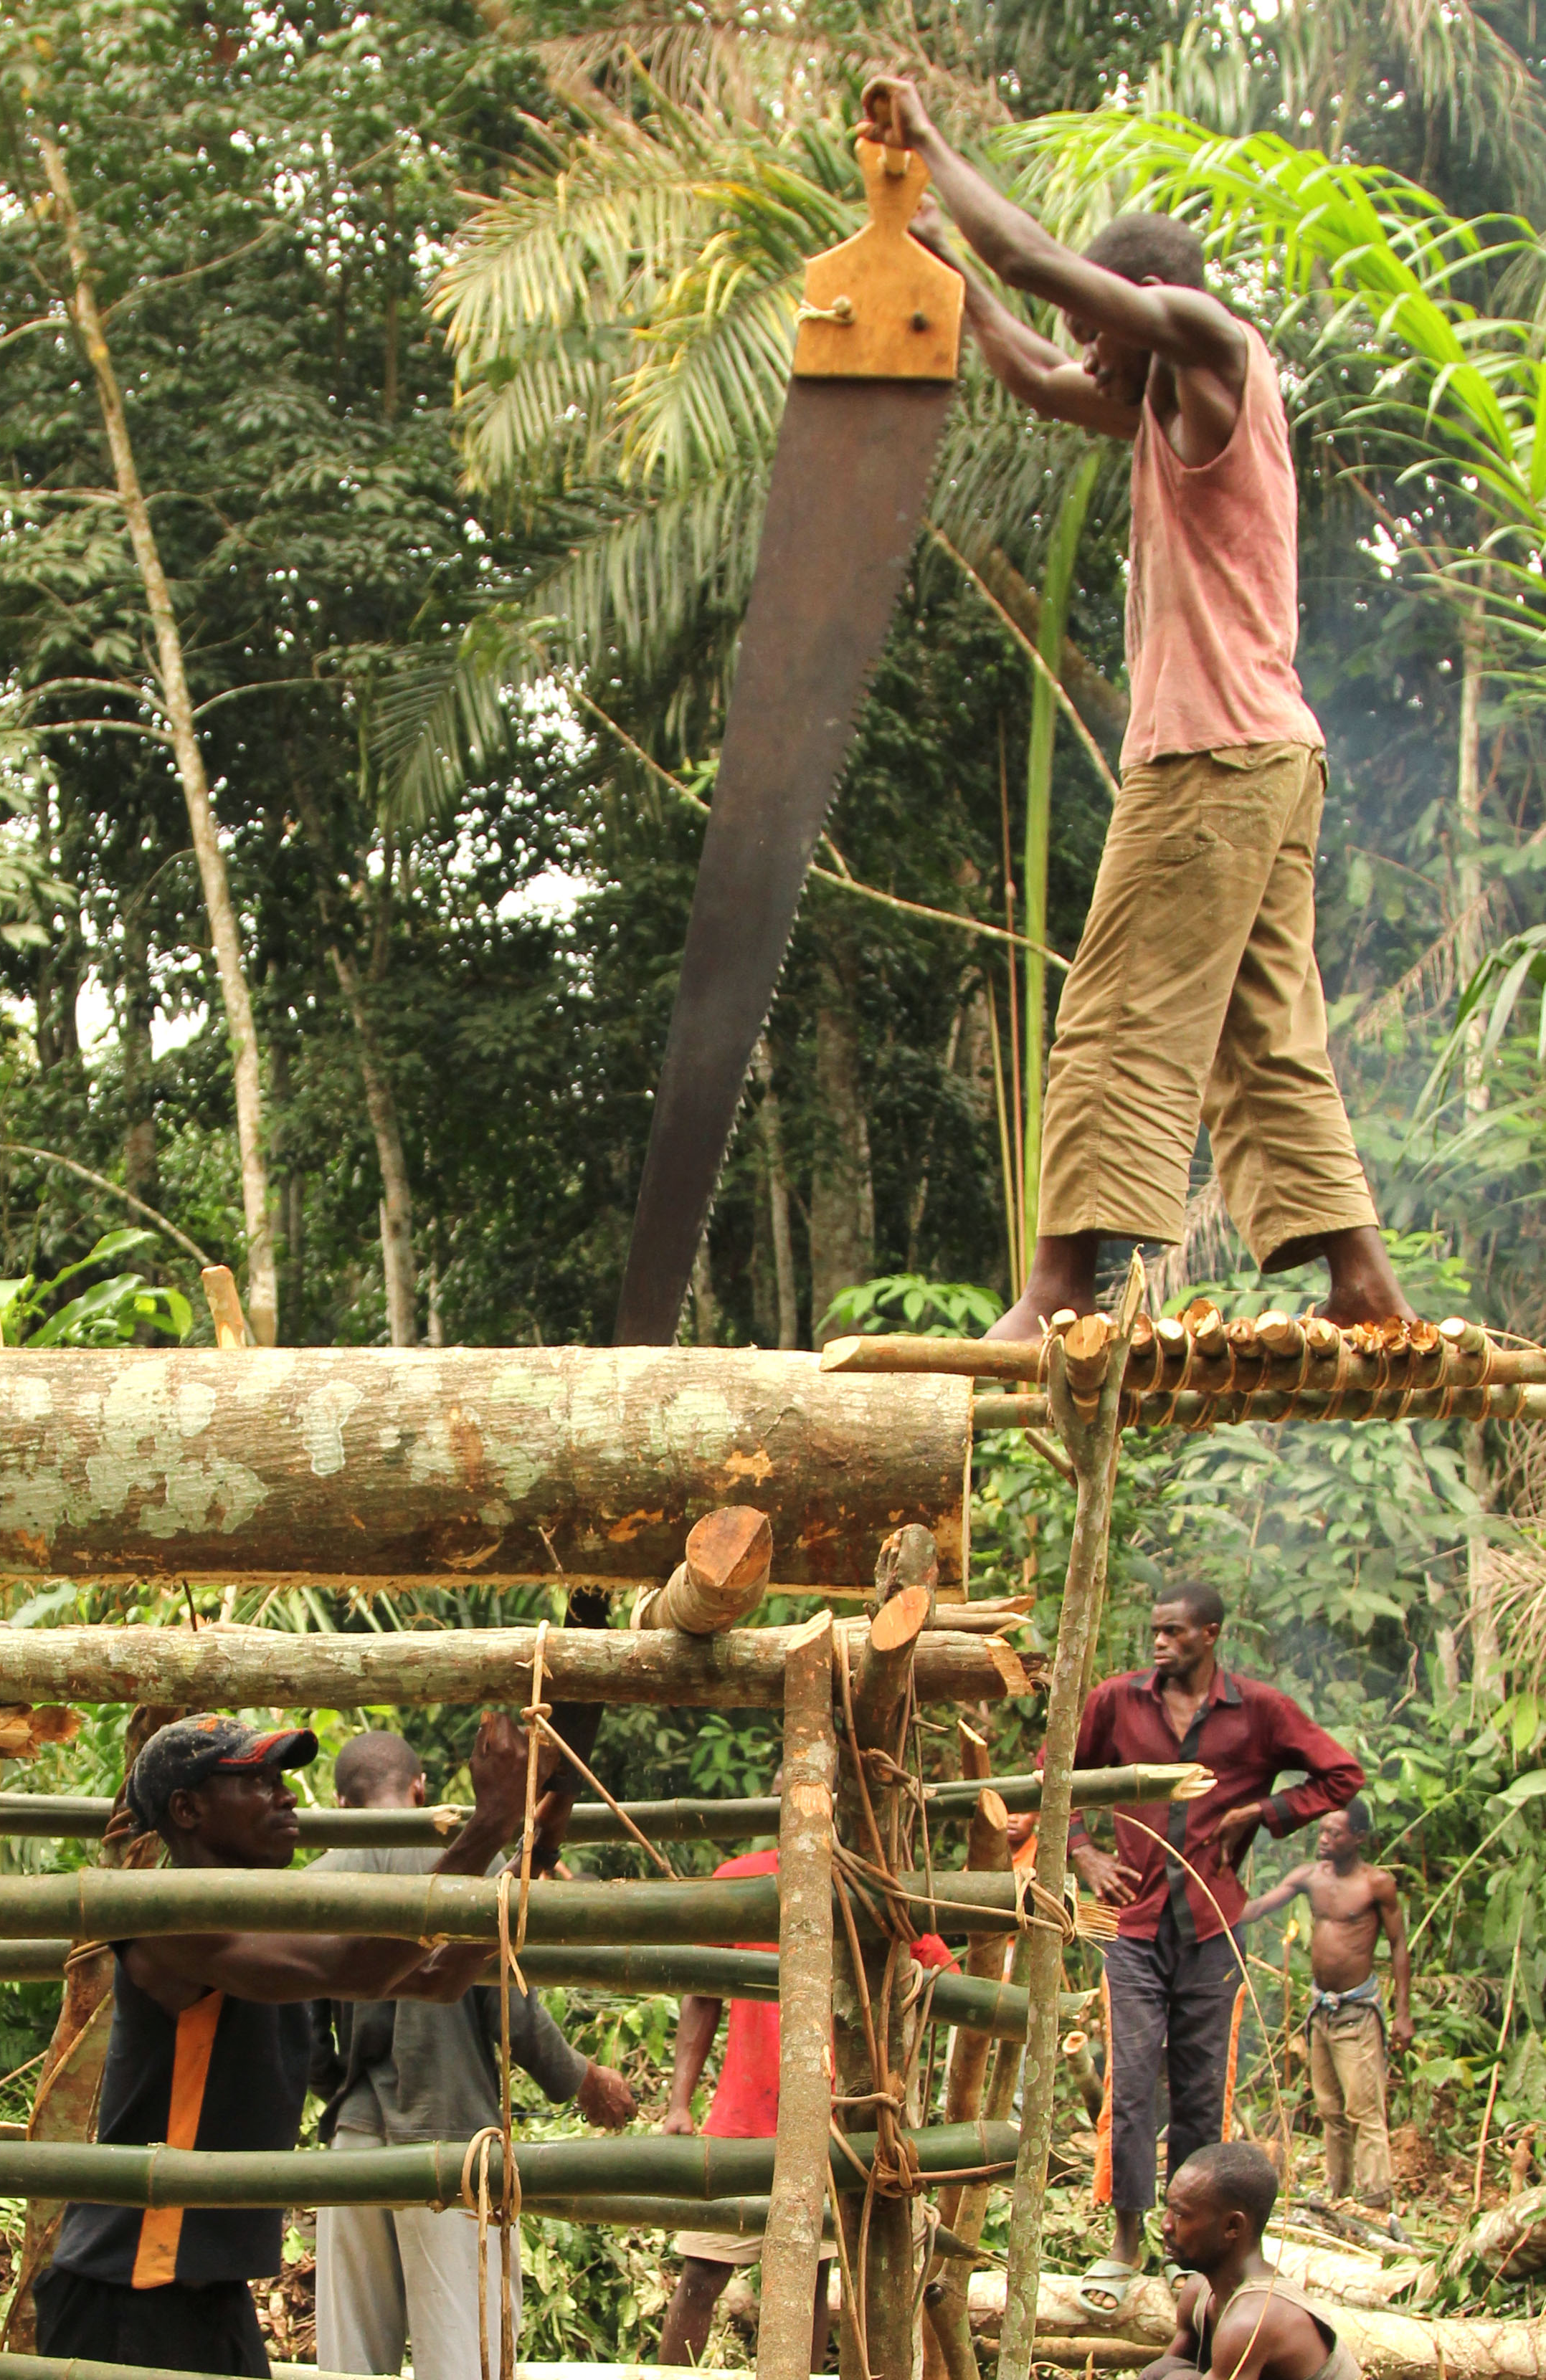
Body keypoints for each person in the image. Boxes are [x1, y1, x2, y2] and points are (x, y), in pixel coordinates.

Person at [855, 77, 1411, 1341]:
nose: (1087, 353)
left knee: (1113, 1013)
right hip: (1267, 755)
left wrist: (933, 149)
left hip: (1210, 761)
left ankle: (1059, 1285)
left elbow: (1046, 264)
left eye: (1100, 328)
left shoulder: (1209, 347)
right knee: (1261, 1037)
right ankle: (1365, 1286)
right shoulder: (1167, 390)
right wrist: (955, 284)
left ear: (1146, 309)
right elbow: (1048, 379)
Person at [35, 1710, 555, 2379]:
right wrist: (487, 1825)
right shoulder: (169, 1918)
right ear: (188, 1810)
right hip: (132, 2287)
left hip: (207, 2290)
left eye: (282, 1779)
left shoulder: (265, 1915)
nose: (285, 1796)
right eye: (256, 1780)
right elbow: (362, 1967)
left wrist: (532, 1840)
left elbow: (437, 1978)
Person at [1064, 1586, 1363, 2313]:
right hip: (1132, 1925)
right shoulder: (1116, 1700)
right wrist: (1082, 1852)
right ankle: (1125, 2241)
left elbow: (1341, 1774)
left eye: (1174, 1632)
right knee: (1131, 2084)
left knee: (1200, 2089)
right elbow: (1055, 1771)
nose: (1159, 1643)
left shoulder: (1256, 1709)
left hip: (1211, 1927)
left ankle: (1190, 2255)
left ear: (1211, 1633)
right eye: (1154, 1631)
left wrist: (1262, 1810)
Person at [309, 1730, 637, 2380]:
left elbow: (305, 2043)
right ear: (421, 1790)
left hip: (353, 2146)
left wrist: (348, 2092)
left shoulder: (316, 1882)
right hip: (453, 2143)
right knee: (466, 2353)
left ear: (340, 1803)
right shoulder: (473, 1871)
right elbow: (507, 2008)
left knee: (351, 2361)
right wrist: (581, 2079)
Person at [657, 1806, 954, 2367]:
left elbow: (938, 1975)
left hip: (835, 2124)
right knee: (702, 2271)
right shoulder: (740, 1881)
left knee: (810, 2278)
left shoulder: (875, 1889)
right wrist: (679, 2104)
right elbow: (701, 1993)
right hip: (743, 2121)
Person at [1240, 1797, 1412, 2209]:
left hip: (1357, 2010)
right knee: (1331, 2108)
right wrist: (1212, 1897)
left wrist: (1404, 2013)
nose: (1325, 1839)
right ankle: (1339, 2190)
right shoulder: (1310, 1877)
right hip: (1321, 2009)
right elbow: (1259, 1907)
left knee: (1363, 2109)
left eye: (1335, 1833)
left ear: (1358, 1838)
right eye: (1322, 1831)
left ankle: (1375, 2200)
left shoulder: (1376, 1885)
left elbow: (1399, 1945)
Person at [1139, 2141, 1360, 2380]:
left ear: (1232, 2226)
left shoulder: (1251, 2320)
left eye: (1181, 2215)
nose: (1166, 2225)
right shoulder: (1198, 2293)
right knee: (1159, 2373)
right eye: (1169, 2210)